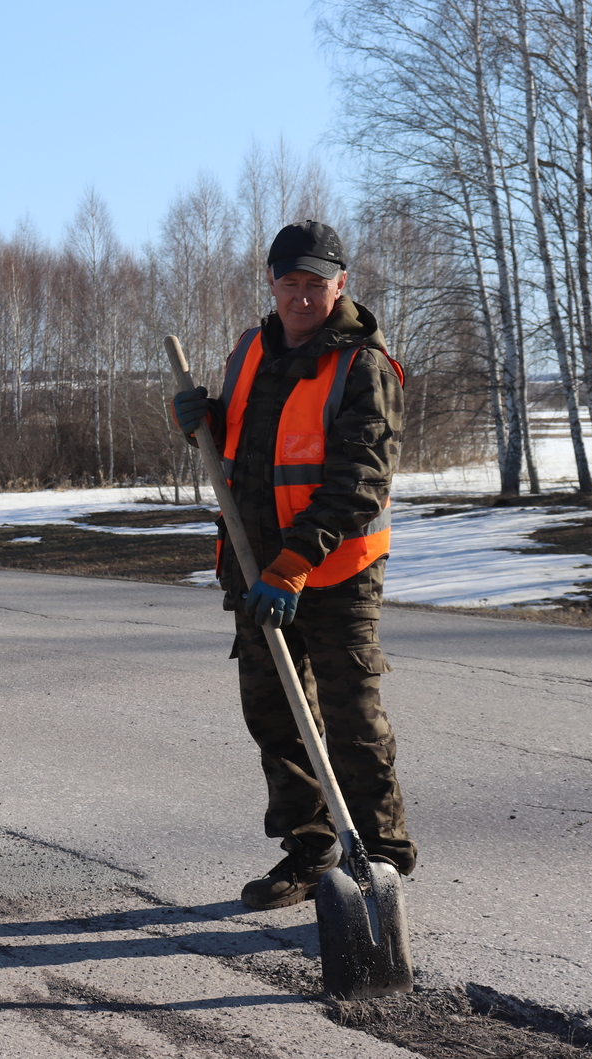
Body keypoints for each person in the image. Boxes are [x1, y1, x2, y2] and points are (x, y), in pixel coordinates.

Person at [172, 220, 416, 909]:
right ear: (272, 283)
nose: (302, 297)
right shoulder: (251, 348)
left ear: (341, 284)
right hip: (255, 570)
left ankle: (382, 864)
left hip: (331, 571)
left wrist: (293, 564)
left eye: (316, 284)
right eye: (290, 283)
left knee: (350, 717)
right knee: (276, 717)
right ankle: (311, 851)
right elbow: (248, 449)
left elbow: (357, 484)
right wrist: (202, 420)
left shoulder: (364, 365)